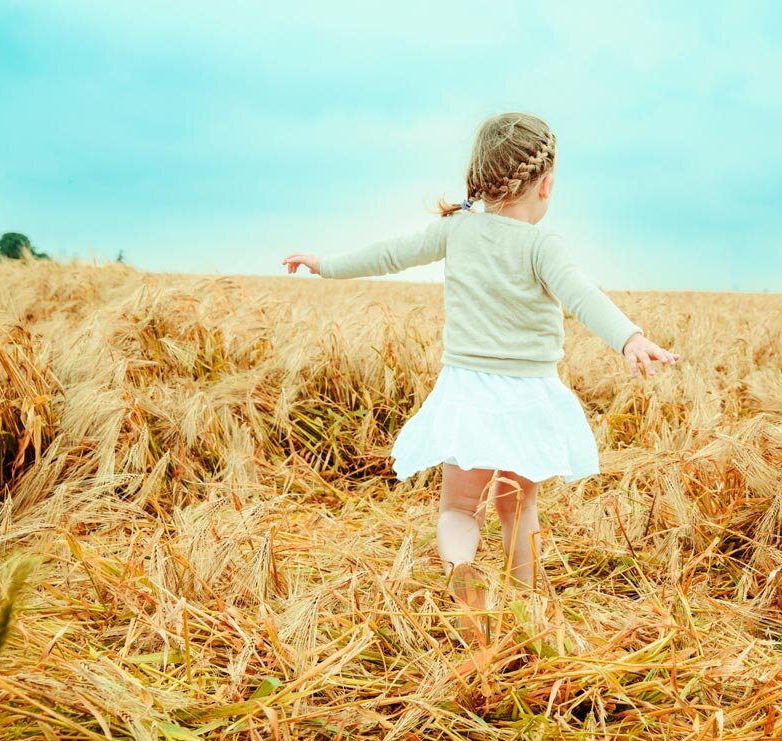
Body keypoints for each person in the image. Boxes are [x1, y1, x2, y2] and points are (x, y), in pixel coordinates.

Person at [282, 112, 678, 624]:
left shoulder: (456, 230)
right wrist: (631, 337)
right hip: (529, 396)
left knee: (457, 509)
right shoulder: (542, 244)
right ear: (546, 185)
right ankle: (526, 606)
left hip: (468, 393)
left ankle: (462, 567)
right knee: (518, 510)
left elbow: (389, 255)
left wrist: (325, 263)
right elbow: (582, 296)